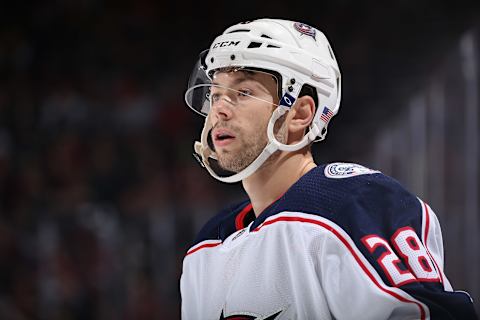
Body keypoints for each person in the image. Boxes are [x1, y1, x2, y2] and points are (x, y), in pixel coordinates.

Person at [180, 18, 478, 319]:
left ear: (300, 113)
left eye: (243, 92)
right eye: (216, 93)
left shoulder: (352, 203)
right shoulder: (207, 244)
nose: (219, 108)